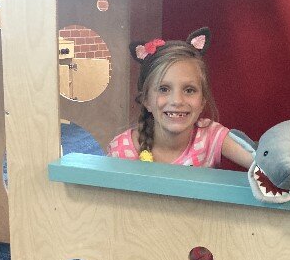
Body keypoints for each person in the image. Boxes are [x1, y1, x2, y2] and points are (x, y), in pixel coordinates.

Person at [107, 27, 253, 169]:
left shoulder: (210, 136)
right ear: (146, 100)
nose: (177, 101)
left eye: (189, 90)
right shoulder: (121, 150)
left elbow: (264, 164)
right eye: (163, 89)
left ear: (203, 101)